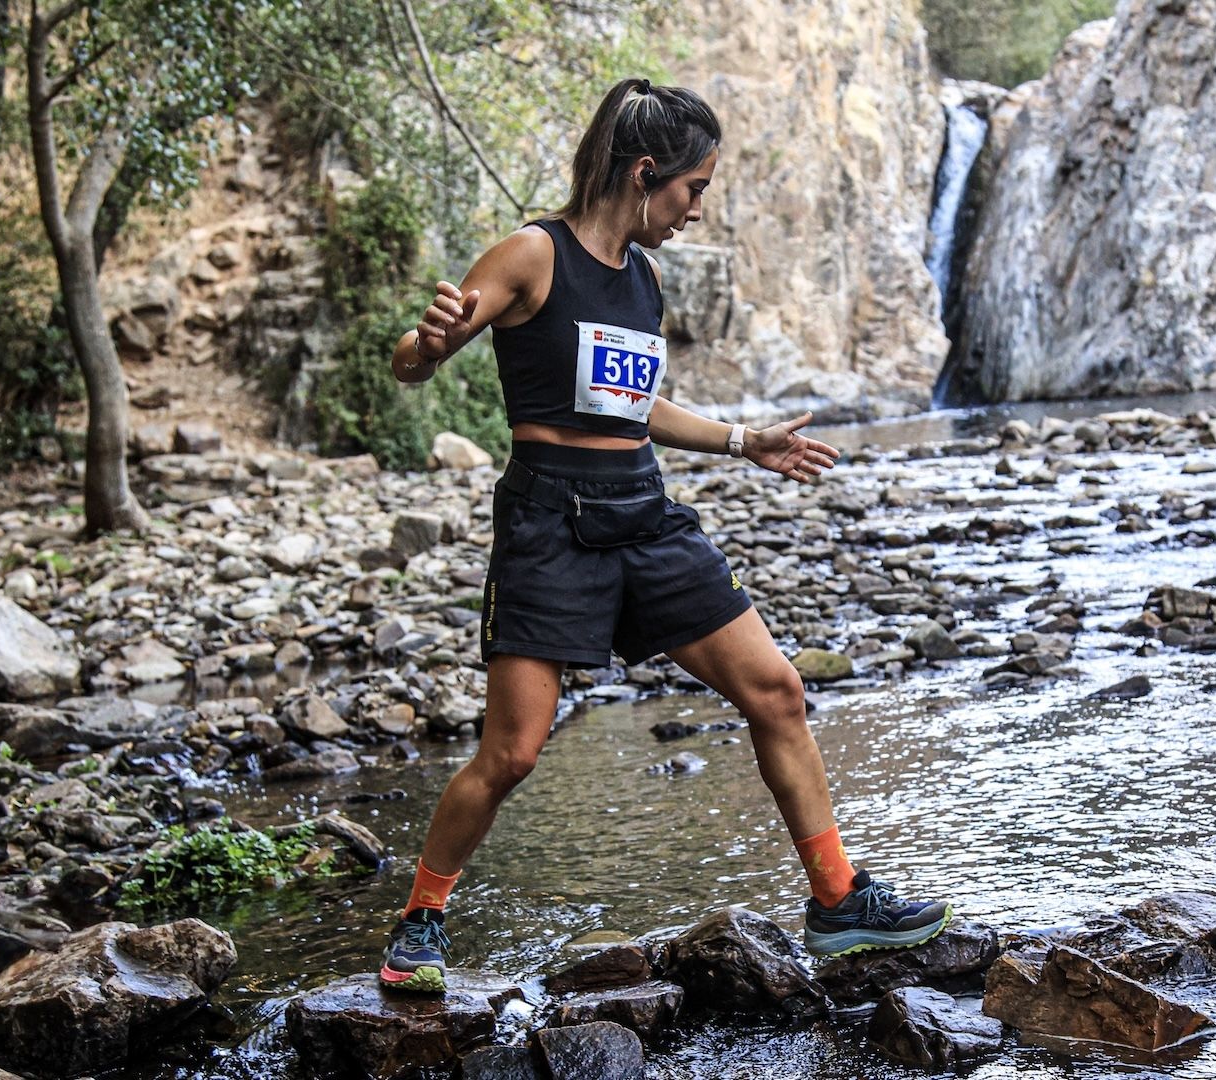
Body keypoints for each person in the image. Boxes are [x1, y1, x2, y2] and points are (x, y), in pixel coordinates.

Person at [378, 77, 950, 992]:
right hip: (548, 524)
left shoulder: (642, 278)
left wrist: (740, 441)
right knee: (512, 752)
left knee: (778, 692)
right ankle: (420, 920)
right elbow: (416, 361)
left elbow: (634, 404)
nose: (695, 209)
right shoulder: (532, 255)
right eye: (694, 189)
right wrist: (429, 343)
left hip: (644, 513)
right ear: (647, 172)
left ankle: (839, 902)